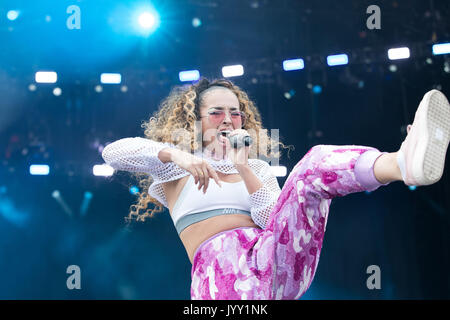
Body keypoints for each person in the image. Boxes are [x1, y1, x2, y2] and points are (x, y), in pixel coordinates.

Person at [101, 78, 450, 299]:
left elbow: (274, 221)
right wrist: (178, 154)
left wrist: (244, 169)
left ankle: (402, 164)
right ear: (194, 121)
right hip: (220, 282)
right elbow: (113, 153)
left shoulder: (257, 168)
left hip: (273, 262)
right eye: (216, 112)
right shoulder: (174, 166)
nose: (227, 119)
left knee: (312, 166)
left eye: (235, 113)